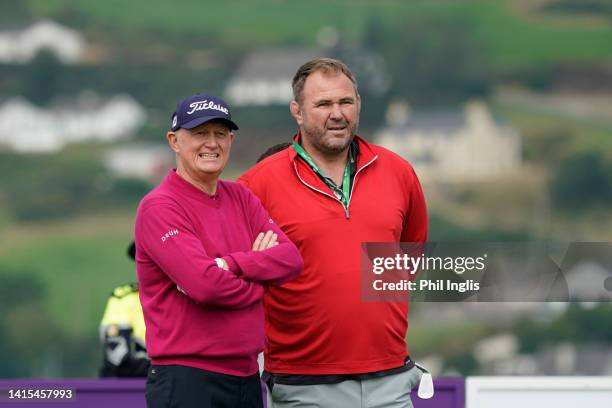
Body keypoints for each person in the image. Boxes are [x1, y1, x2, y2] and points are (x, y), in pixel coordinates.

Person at [238, 58, 428, 407]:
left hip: (391, 380)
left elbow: (410, 256)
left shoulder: (399, 172)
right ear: (297, 111)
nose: (337, 113)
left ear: (359, 104)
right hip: (303, 385)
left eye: (346, 102)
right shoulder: (257, 184)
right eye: (323, 104)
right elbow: (233, 274)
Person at [134, 93, 303, 408]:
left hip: (247, 376)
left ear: (231, 140)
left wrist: (228, 265)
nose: (212, 143)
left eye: (220, 134)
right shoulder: (160, 207)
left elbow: (291, 260)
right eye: (200, 133)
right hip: (187, 379)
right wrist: (260, 276)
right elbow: (206, 286)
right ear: (174, 141)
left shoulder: (241, 196)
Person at [99, 241, 149, 378]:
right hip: (126, 390)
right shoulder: (122, 299)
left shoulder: (187, 296)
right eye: (144, 261)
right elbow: (119, 358)